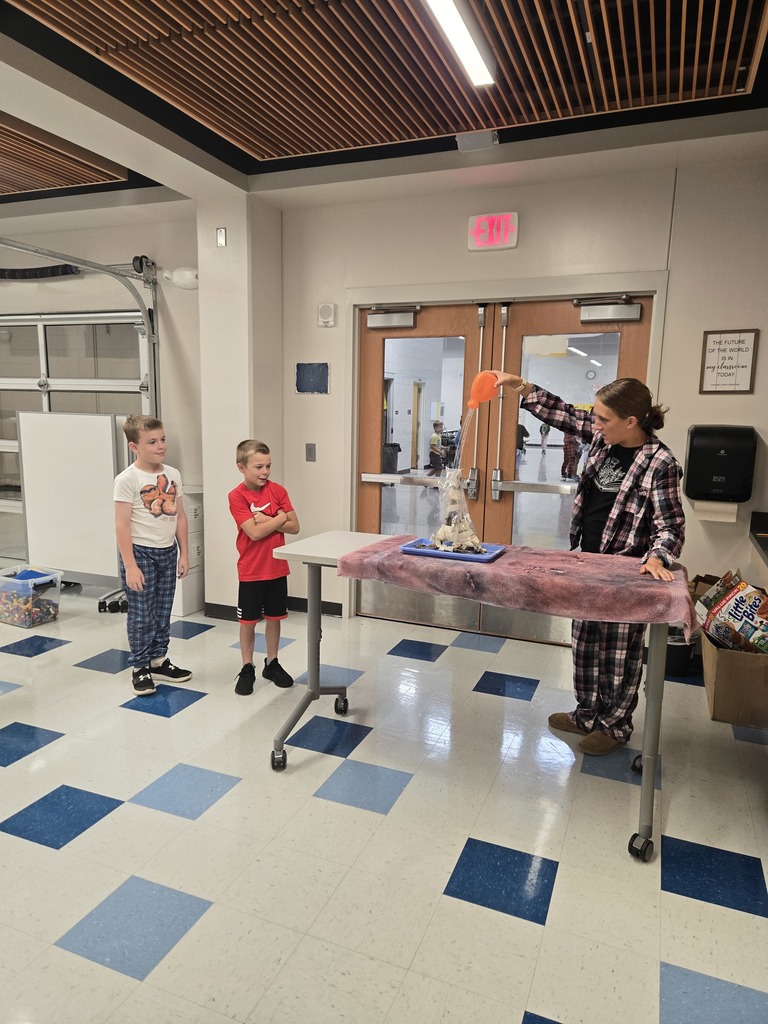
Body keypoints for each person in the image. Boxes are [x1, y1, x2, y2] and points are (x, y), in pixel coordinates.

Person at [493, 371, 685, 755]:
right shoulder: (602, 439)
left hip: (625, 574)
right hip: (586, 564)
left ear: (631, 421)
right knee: (584, 646)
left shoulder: (660, 463)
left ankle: (614, 726)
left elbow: (670, 524)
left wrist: (658, 556)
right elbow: (565, 414)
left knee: (617, 655)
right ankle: (586, 714)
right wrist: (526, 388)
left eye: (603, 418)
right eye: (595, 417)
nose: (594, 423)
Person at [114, 415, 191, 696]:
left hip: (167, 552)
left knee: (162, 611)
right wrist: (130, 566)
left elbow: (180, 516)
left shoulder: (173, 474)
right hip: (140, 553)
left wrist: (183, 553)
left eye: (163, 439)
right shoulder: (127, 479)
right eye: (152, 442)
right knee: (141, 615)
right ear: (134, 447)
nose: (161, 446)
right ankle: (140, 667)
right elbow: (121, 525)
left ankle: (158, 660)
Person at [228, 439, 300, 695]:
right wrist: (281, 517)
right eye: (258, 467)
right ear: (241, 467)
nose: (265, 472)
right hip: (251, 569)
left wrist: (272, 519)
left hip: (277, 568)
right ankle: (247, 667)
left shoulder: (278, 491)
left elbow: (295, 526)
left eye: (268, 466)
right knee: (248, 621)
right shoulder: (237, 496)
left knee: (274, 618)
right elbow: (254, 533)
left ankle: (272, 662)